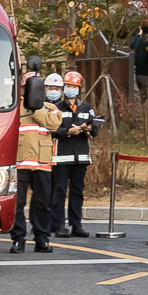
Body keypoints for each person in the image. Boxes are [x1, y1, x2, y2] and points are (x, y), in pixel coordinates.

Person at [12, 81, 62, 254]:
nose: (28, 90)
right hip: (20, 161)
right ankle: (18, 239)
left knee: (43, 203)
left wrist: (36, 107)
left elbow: (54, 125)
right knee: (17, 203)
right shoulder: (14, 106)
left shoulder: (50, 107)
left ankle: (42, 239)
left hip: (42, 163)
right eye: (26, 87)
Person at [49, 70, 96, 238]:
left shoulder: (87, 108)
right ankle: (58, 224)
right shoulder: (56, 108)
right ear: (63, 88)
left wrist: (88, 128)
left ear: (79, 89)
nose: (71, 89)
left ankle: (77, 224)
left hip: (81, 157)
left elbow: (95, 130)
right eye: (68, 86)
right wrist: (68, 131)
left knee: (77, 191)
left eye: (74, 86)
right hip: (62, 156)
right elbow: (52, 130)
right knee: (59, 190)